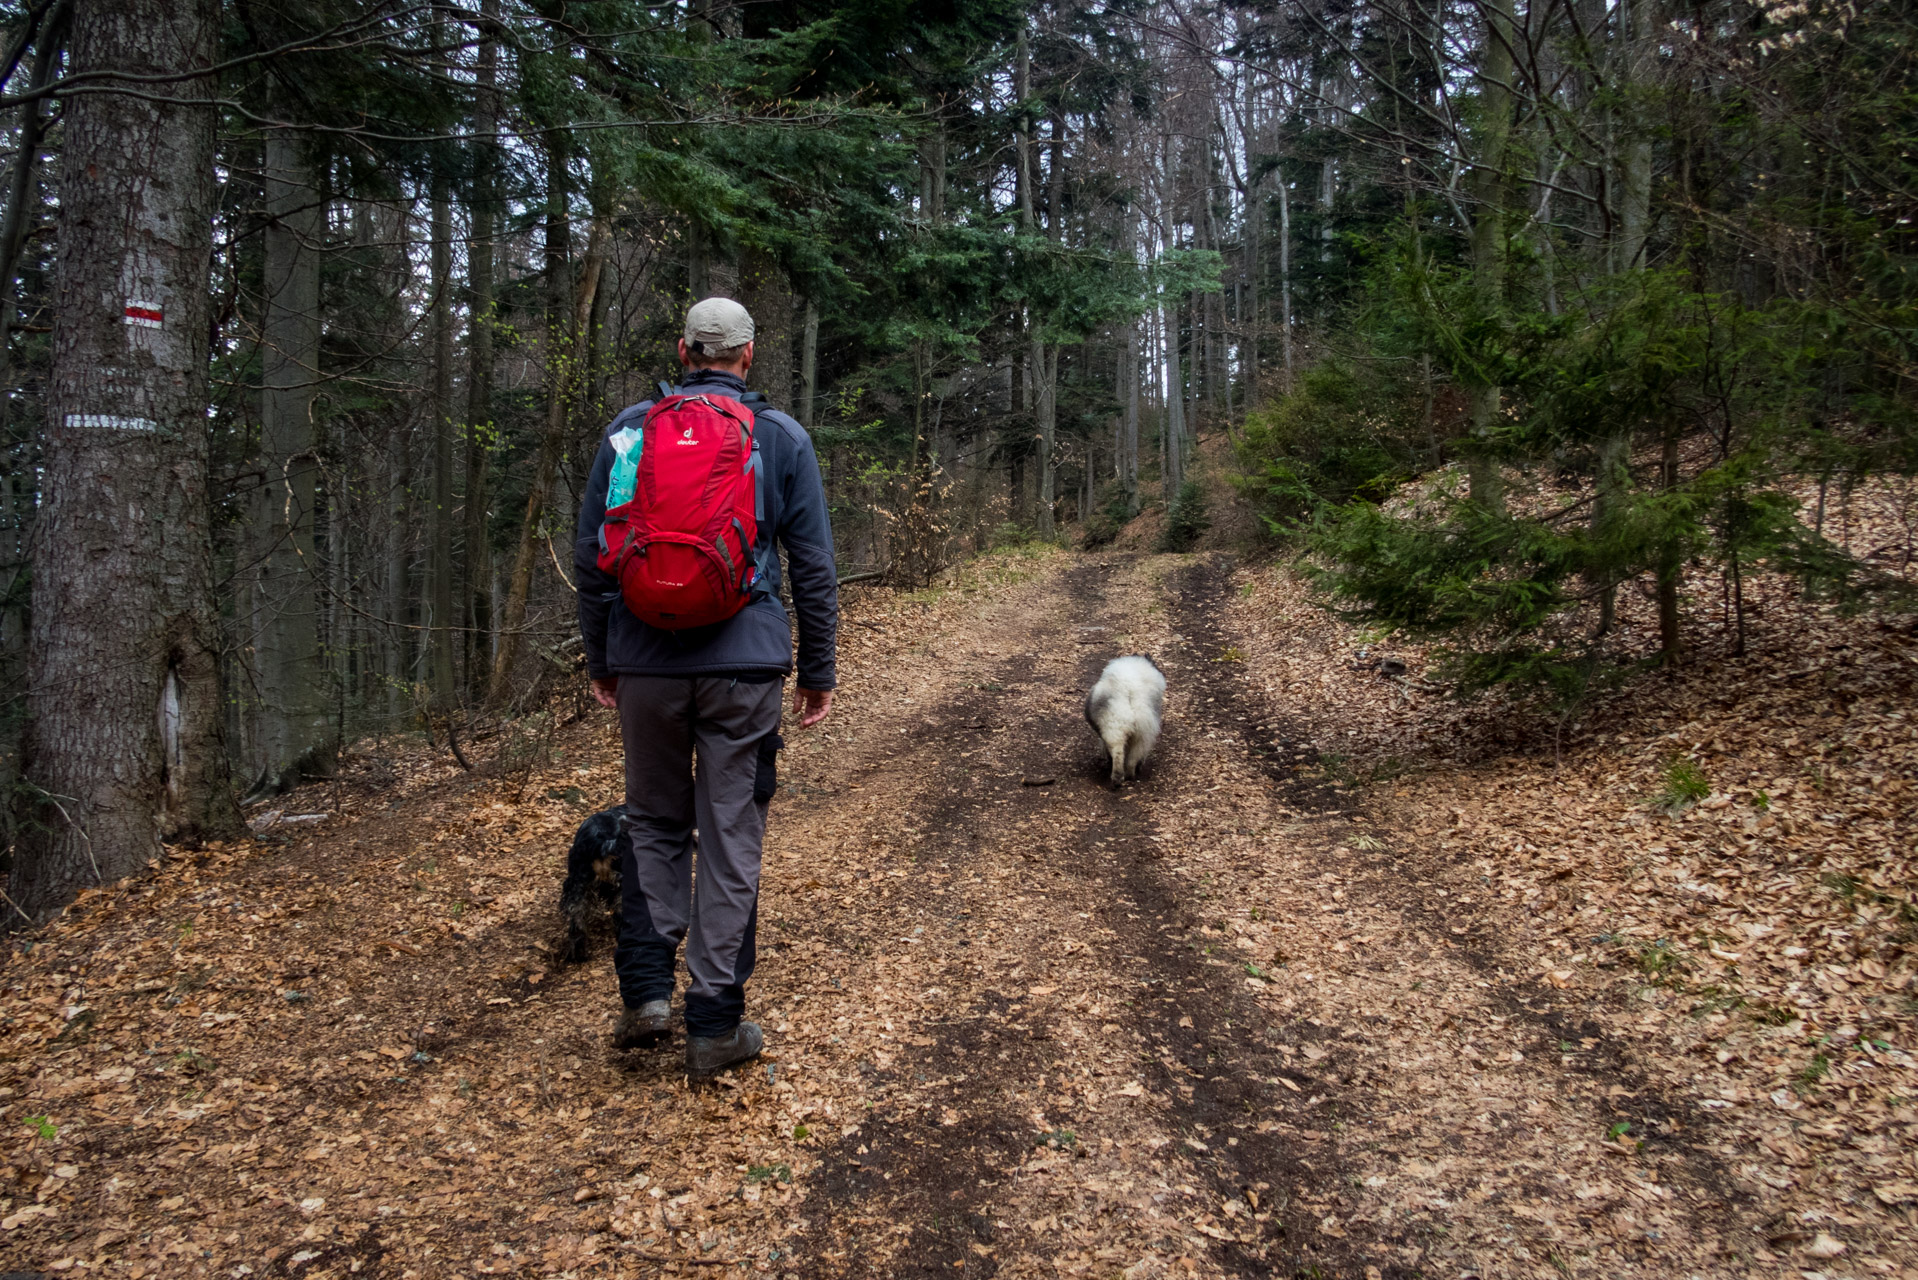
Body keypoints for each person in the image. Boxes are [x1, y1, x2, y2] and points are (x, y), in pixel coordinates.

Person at [575, 297, 838, 1077]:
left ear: (683, 351)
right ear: (748, 356)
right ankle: (714, 1024)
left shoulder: (630, 433)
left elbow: (594, 558)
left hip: (646, 663)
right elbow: (814, 568)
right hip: (744, 666)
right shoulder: (780, 437)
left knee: (654, 823)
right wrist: (816, 670)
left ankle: (646, 997)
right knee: (731, 833)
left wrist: (602, 659)